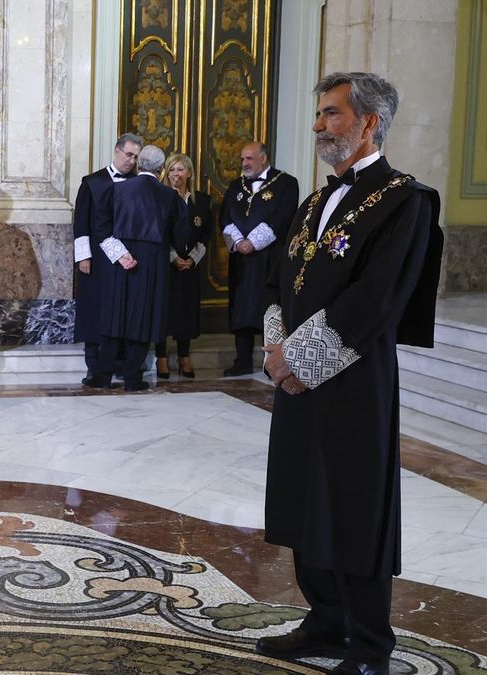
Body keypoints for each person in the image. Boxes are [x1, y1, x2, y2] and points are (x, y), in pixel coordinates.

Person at [256, 72, 443, 675]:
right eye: (320, 114)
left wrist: (301, 361)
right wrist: (276, 348)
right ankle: (326, 619)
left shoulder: (405, 200)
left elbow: (377, 298)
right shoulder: (315, 201)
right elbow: (280, 282)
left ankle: (367, 645)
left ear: (369, 122)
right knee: (304, 498)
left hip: (353, 379)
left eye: (331, 114)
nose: (318, 125)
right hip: (299, 378)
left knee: (354, 507)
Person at [85, 145, 189, 392]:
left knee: (114, 317)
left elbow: (100, 228)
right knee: (143, 320)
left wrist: (120, 255)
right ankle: (132, 378)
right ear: (162, 169)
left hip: (120, 261)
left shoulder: (116, 188)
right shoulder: (170, 196)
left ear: (139, 164)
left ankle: (103, 377)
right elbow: (181, 236)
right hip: (153, 264)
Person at [219, 142, 299, 376]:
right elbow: (225, 217)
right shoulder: (235, 185)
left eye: (250, 159)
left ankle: (271, 364)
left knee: (269, 309)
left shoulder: (286, 183)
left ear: (263, 158)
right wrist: (238, 242)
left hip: (269, 260)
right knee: (241, 310)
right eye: (243, 159)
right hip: (242, 263)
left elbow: (283, 218)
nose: (244, 163)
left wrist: (253, 242)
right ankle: (241, 361)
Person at [73, 133, 142, 383]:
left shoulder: (137, 183)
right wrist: (84, 258)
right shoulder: (92, 182)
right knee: (94, 309)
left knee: (122, 310)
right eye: (128, 155)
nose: (131, 161)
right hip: (96, 258)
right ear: (116, 151)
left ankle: (121, 363)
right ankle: (93, 363)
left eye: (136, 157)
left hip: (126, 258)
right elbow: (81, 222)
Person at [154, 153, 211, 379]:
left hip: (190, 265)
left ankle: (184, 355)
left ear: (189, 173)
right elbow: (158, 232)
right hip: (166, 264)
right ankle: (161, 356)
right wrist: (173, 257)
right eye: (172, 169)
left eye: (180, 169)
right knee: (163, 309)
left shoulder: (202, 201)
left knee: (186, 311)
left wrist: (192, 258)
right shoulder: (161, 198)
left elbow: (206, 235)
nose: (176, 174)